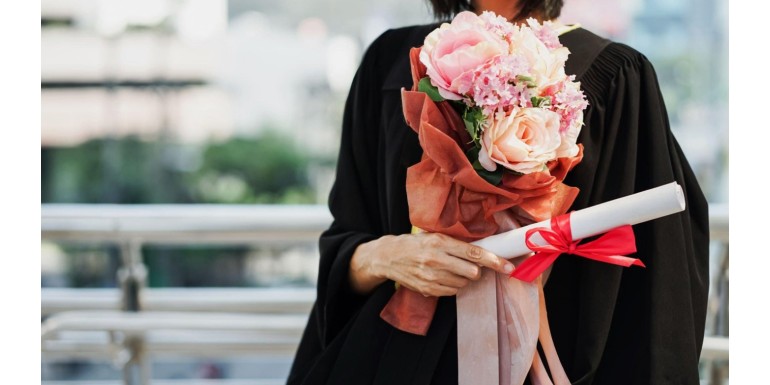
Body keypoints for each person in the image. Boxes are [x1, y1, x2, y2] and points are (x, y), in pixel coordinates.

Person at [287, 0, 710, 384]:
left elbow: (654, 286)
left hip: (546, 366)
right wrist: (387, 256)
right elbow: (348, 238)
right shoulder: (390, 62)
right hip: (390, 361)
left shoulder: (614, 76)